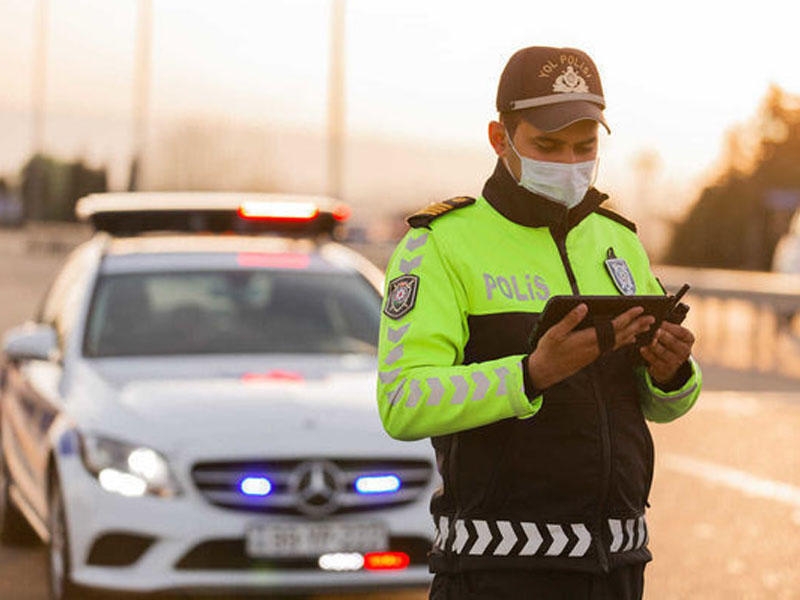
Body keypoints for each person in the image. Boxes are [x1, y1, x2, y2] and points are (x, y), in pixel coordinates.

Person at [376, 46, 702, 600]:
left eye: (585, 146)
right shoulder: (439, 244)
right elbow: (404, 402)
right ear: (500, 139)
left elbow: (660, 404)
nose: (569, 161)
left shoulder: (618, 240)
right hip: (496, 571)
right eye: (547, 145)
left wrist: (671, 373)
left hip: (619, 564)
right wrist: (529, 374)